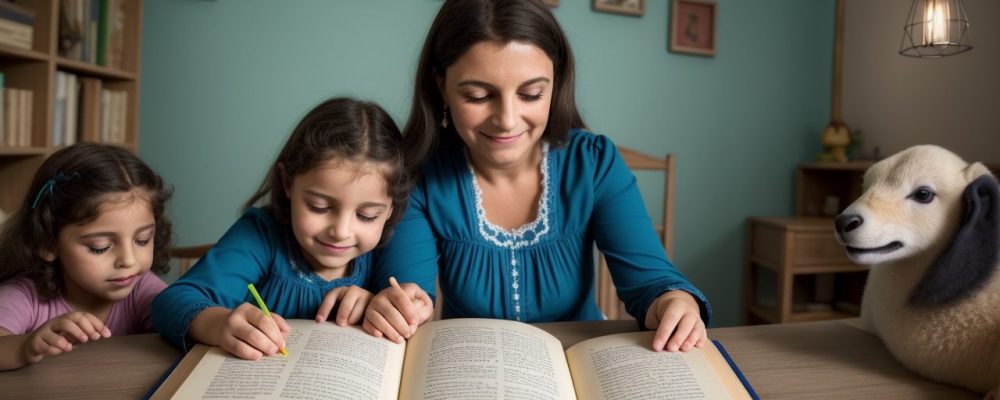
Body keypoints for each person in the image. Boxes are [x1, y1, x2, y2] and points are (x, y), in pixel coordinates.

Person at [364, 0, 711, 352]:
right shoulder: (418, 177)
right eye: (478, 96)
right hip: (472, 367)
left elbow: (652, 284)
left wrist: (673, 302)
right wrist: (400, 308)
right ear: (442, 86)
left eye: (531, 94)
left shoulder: (593, 163)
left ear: (554, 83)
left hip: (579, 364)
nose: (507, 119)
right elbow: (406, 293)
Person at [153, 97, 415, 360]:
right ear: (287, 181)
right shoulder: (261, 235)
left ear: (391, 208)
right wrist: (218, 323)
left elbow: (410, 307)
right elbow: (171, 302)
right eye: (319, 207)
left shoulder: (388, 251)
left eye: (367, 215)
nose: (341, 231)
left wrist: (382, 307)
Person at [0, 143, 174, 370]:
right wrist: (25, 347)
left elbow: (185, 321)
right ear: (48, 242)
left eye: (142, 240)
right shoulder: (25, 296)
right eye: (100, 247)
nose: (129, 261)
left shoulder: (141, 289)